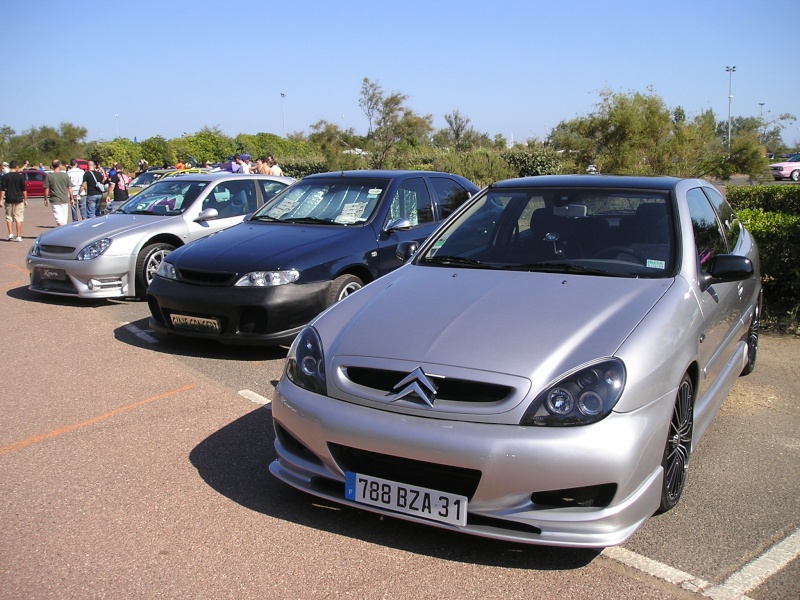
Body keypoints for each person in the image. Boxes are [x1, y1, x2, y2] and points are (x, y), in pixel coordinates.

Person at [0, 160, 28, 241]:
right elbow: (24, 190)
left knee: (9, 217)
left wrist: (1, 200)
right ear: (16, 167)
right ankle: (18, 236)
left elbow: (2, 189)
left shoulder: (5, 176)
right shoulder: (20, 176)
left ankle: (10, 234)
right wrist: (25, 200)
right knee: (19, 218)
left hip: (9, 199)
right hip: (19, 199)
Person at [44, 160, 73, 226]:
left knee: (59, 218)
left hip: (55, 200)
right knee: (64, 218)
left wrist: (45, 199)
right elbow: (69, 188)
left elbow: (46, 189)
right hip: (64, 199)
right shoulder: (65, 175)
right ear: (59, 166)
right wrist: (72, 198)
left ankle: (62, 230)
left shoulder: (49, 176)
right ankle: (63, 231)